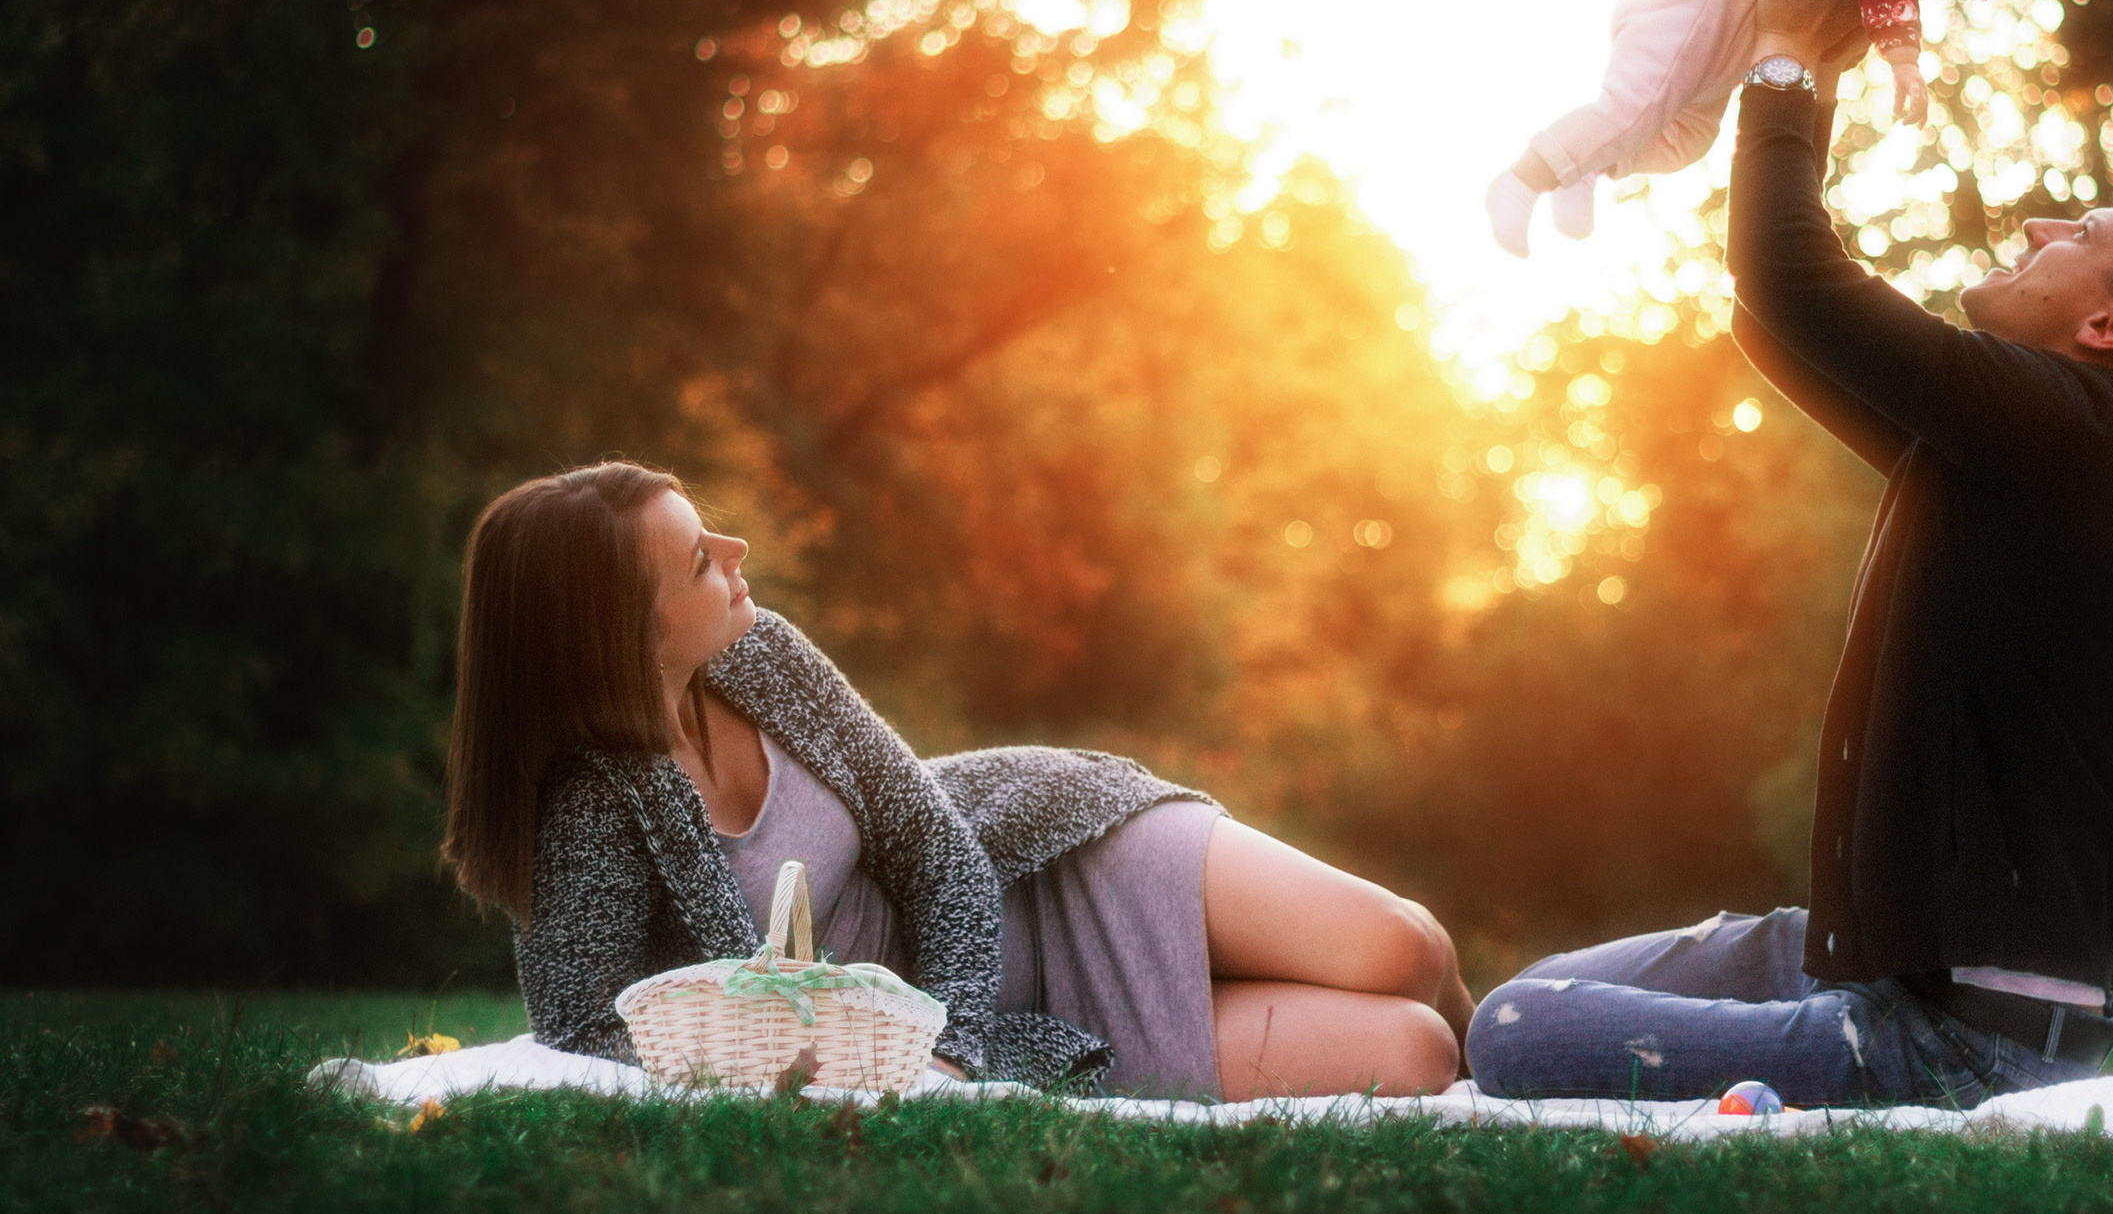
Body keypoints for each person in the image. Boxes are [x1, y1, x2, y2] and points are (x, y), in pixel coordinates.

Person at [1467, 0, 2113, 1107]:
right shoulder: (2043, 445)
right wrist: (1816, 64)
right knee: (1541, 988)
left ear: (2111, 324)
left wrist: (1790, 56)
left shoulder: (2067, 433)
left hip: (1949, 1035)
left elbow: (1793, 284)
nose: (2039, 219)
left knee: (1516, 1031)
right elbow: (1780, 319)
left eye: (2082, 232)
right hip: (1893, 959)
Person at [443, 461, 1474, 1100]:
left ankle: (1570, 1033)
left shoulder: (762, 658)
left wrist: (957, 1048)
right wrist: (886, 1064)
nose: (736, 548)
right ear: (626, 627)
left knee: (1407, 947)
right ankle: (1560, 1045)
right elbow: (583, 1031)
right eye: (699, 559)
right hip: (979, 1025)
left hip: (1050, 862)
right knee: (1414, 1053)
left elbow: (937, 847)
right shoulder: (590, 808)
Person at [1485, 0, 2071, 256]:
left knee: (1686, 139)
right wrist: (1904, 58)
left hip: (1734, 31)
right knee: (1635, 107)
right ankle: (1521, 179)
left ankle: (1587, 165)